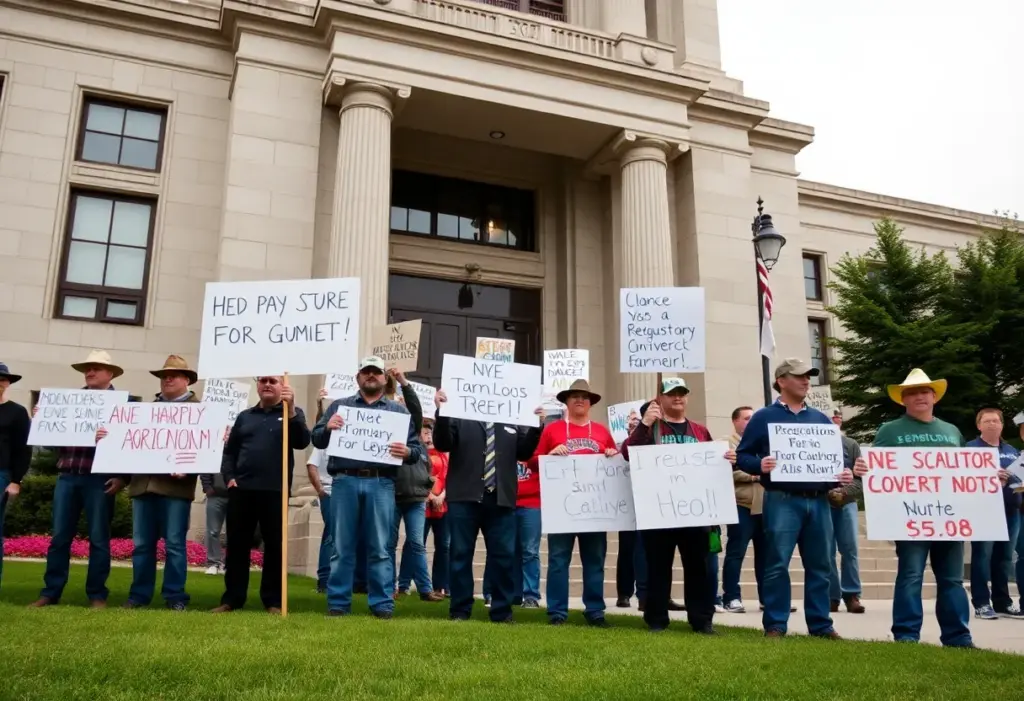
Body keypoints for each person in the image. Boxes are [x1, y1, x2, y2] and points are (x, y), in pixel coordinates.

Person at [736, 358, 861, 639]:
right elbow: (743, 455)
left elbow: (831, 462)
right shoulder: (764, 417)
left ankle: (820, 625)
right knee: (777, 562)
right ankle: (776, 625)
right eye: (799, 376)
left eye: (809, 376)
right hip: (782, 499)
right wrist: (760, 465)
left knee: (820, 563)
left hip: (819, 499)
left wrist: (841, 475)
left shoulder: (819, 418)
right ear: (781, 380)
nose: (806, 381)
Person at [872, 368, 982, 647]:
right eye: (912, 393)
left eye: (924, 391)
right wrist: (865, 469)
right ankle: (906, 635)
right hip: (910, 518)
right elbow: (878, 472)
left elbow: (964, 474)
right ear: (903, 400)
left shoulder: (951, 431)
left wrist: (987, 478)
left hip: (950, 518)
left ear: (934, 396)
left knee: (953, 579)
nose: (919, 396)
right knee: (910, 575)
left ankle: (959, 636)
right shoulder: (890, 431)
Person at [310, 356, 423, 619]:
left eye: (376, 372)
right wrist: (327, 427)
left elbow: (417, 451)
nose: (370, 376)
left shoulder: (399, 412)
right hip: (345, 481)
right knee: (341, 544)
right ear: (358, 377)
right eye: (366, 372)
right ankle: (338, 603)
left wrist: (406, 451)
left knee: (380, 546)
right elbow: (316, 438)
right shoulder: (339, 406)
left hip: (381, 482)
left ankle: (382, 603)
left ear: (385, 378)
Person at [621, 377, 736, 634]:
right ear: (659, 398)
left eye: (682, 393)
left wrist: (727, 459)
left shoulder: (699, 431)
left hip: (695, 514)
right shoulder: (651, 429)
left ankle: (701, 620)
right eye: (671, 393)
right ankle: (657, 619)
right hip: (660, 511)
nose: (677, 398)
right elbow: (629, 454)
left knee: (699, 569)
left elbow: (711, 465)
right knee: (658, 568)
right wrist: (645, 423)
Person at [432, 389, 543, 623]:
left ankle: (502, 611)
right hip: (465, 496)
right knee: (460, 554)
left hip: (501, 498)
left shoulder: (513, 418)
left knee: (503, 556)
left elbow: (523, 452)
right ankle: (460, 610)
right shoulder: (460, 414)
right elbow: (443, 443)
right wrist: (442, 413)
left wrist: (536, 425)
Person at [30, 350, 128, 608]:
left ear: (110, 373)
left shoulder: (122, 407)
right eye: (88, 368)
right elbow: (51, 445)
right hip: (68, 476)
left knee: (99, 539)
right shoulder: (67, 403)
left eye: (96, 368)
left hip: (100, 480)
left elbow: (129, 446)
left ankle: (97, 594)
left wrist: (121, 477)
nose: (90, 372)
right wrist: (42, 419)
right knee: (59, 537)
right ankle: (50, 592)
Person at [212, 375, 311, 614]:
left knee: (275, 547)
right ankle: (232, 599)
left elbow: (301, 441)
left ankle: (273, 601)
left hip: (274, 490)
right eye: (263, 380)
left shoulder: (292, 413)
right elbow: (229, 452)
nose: (267, 384)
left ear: (282, 386)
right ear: (257, 385)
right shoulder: (245, 417)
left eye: (273, 381)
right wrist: (229, 477)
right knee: (237, 546)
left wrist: (291, 411)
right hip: (242, 490)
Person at [531, 379, 618, 627]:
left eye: (584, 396)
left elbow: (615, 463)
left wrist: (612, 455)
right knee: (558, 560)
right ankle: (557, 612)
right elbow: (532, 461)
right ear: (566, 402)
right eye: (574, 396)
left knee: (594, 560)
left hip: (595, 509)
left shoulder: (602, 432)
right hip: (562, 509)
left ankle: (595, 610)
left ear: (590, 403)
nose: (580, 400)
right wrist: (549, 456)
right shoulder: (552, 430)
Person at [119, 355, 203, 611]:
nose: (167, 379)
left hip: (175, 489)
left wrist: (188, 470)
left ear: (186, 380)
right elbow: (129, 447)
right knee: (142, 545)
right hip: (143, 486)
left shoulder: (200, 411)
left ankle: (175, 596)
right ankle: (138, 595)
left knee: (175, 545)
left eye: (174, 375)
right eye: (164, 375)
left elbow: (205, 451)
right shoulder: (144, 411)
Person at [966, 407, 1023, 619]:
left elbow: (1019, 477)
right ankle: (981, 602)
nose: (992, 424)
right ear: (979, 425)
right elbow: (962, 479)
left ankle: (1002, 602)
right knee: (982, 557)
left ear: (1002, 425)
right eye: (987, 421)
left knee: (1005, 557)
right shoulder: (970, 450)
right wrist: (990, 477)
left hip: (1011, 510)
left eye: (996, 421)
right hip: (983, 512)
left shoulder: (1011, 451)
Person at [391, 422, 444, 602]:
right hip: (394, 497)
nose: (427, 435)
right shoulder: (394, 441)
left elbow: (428, 469)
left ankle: (425, 590)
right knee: (390, 543)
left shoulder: (420, 448)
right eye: (425, 431)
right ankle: (390, 586)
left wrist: (426, 486)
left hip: (417, 500)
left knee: (416, 543)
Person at [722, 405, 766, 614]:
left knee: (766, 556)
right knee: (736, 553)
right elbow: (725, 473)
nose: (751, 421)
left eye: (753, 418)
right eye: (747, 418)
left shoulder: (763, 442)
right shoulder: (727, 444)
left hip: (765, 507)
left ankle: (767, 598)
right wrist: (755, 475)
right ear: (735, 421)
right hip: (742, 505)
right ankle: (731, 597)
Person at [829, 410, 865, 614]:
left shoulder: (851, 445)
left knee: (849, 549)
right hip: (821, 505)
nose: (835, 420)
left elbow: (861, 479)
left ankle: (852, 594)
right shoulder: (810, 444)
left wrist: (842, 492)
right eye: (830, 417)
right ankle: (831, 596)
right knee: (826, 552)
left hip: (846, 503)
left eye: (838, 417)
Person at [0, 361, 31, 592]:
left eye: (2, 380)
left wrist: (15, 480)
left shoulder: (18, 412)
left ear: (7, 384)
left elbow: (23, 449)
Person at [423, 419, 450, 597]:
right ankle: (406, 583)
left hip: (444, 504)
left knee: (444, 546)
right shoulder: (419, 454)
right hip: (423, 503)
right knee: (417, 543)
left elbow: (451, 475)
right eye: (425, 432)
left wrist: (441, 496)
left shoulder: (447, 454)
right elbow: (416, 476)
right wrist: (430, 495)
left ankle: (441, 585)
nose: (428, 436)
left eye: (430, 432)